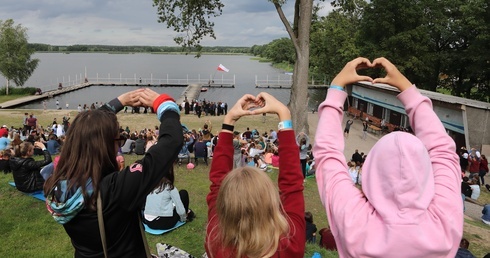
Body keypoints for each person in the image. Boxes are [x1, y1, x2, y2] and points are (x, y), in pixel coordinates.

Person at [313, 57, 463, 257]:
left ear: (371, 172)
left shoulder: (355, 220)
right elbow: (443, 151)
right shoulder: (444, 220)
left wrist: (336, 88)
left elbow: (327, 155)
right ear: (425, 172)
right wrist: (407, 89)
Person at [43, 89, 183, 257]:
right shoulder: (116, 189)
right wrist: (164, 104)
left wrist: (119, 102)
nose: (118, 146)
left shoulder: (58, 183)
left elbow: (86, 128)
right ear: (105, 146)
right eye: (118, 141)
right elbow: (171, 142)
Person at [205, 93, 305, 257]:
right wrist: (283, 113)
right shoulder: (289, 244)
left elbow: (217, 185)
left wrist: (229, 120)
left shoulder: (216, 241)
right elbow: (292, 186)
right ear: (271, 202)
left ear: (224, 206)